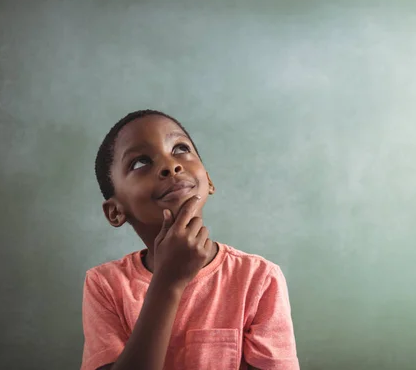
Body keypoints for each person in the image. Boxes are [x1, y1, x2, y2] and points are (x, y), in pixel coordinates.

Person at [80, 109, 299, 370]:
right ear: (116, 211)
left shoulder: (260, 279)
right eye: (140, 162)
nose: (171, 166)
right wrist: (168, 282)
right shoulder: (105, 285)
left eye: (180, 148)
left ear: (208, 179)